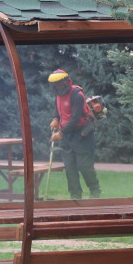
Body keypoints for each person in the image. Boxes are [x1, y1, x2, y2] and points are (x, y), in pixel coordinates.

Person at [48, 68, 101, 200]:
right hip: (66, 136)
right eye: (55, 85)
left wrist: (61, 133)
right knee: (70, 167)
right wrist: (55, 119)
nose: (58, 86)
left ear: (66, 81)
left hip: (82, 134)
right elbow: (57, 109)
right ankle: (75, 196)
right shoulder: (58, 95)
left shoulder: (76, 95)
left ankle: (95, 191)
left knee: (84, 165)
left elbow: (75, 118)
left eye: (60, 83)